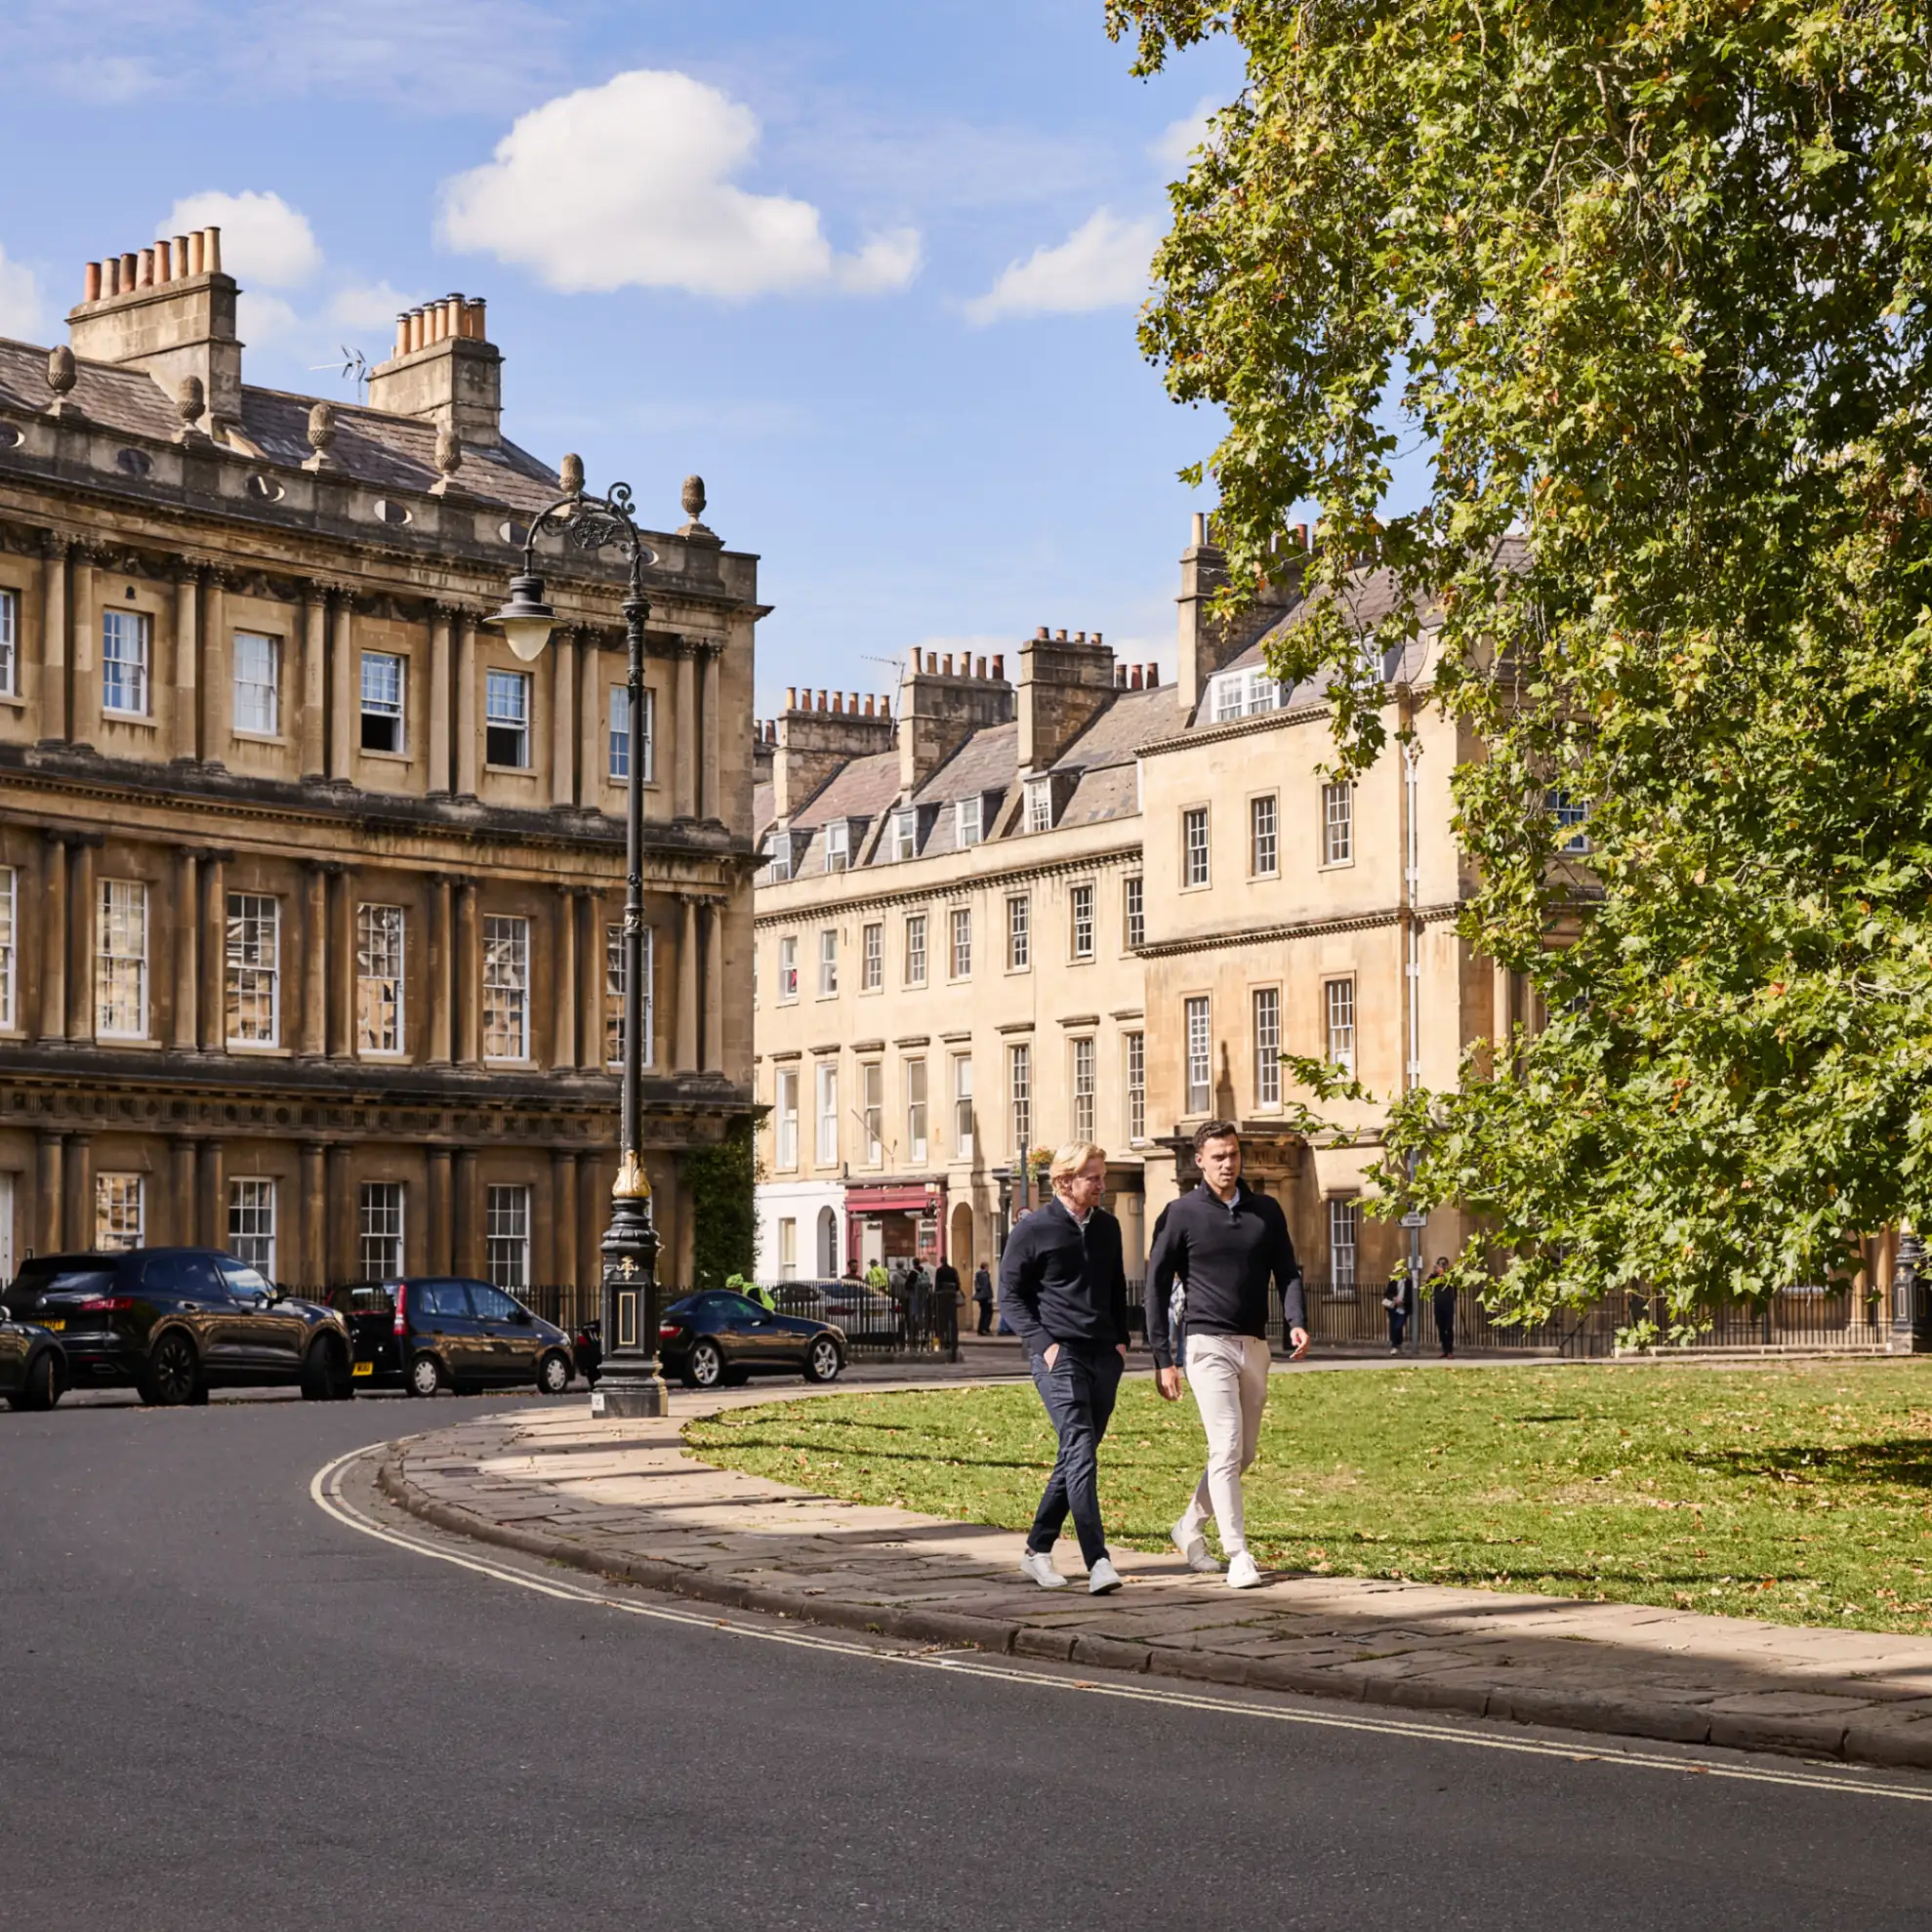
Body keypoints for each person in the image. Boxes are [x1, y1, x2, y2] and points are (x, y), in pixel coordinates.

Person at [1147, 1121, 1308, 1591]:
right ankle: (1239, 1553)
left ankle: (1189, 1526)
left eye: (1233, 1154)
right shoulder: (1180, 1214)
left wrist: (1295, 1319)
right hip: (1206, 1344)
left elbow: (1288, 1270)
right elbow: (1155, 1287)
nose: (1227, 1164)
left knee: (1243, 1453)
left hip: (1254, 1344)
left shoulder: (1265, 1211)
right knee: (1226, 1444)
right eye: (1218, 1156)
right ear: (1200, 1160)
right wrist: (1162, 1358)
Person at [1001, 1142, 1131, 1594]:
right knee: (1080, 1450)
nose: (1101, 1185)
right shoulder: (1033, 1229)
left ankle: (1037, 1550)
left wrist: (1121, 1341)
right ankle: (1098, 1561)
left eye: (1102, 1176)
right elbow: (1009, 1295)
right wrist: (1045, 1345)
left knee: (1077, 1454)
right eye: (1093, 1177)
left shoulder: (1108, 1227)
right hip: (1059, 1355)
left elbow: (1116, 1286)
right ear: (1063, 1181)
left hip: (1104, 1356)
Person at [933, 1257, 962, 1353]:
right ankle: (953, 1342)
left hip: (942, 1297)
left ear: (941, 1261)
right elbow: (957, 1285)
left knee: (942, 1321)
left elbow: (937, 1285)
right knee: (953, 1320)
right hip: (952, 1296)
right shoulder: (953, 1270)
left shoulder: (939, 1271)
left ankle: (942, 1341)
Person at [1429, 1257, 1456, 1357]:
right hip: (1438, 1304)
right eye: (1441, 1264)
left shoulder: (1450, 1275)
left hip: (1448, 1304)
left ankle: (1450, 1350)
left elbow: (1455, 1285)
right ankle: (1444, 1349)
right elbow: (1428, 1283)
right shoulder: (1434, 1276)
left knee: (1448, 1327)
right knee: (1440, 1327)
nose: (1442, 1266)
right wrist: (1433, 1274)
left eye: (1444, 1264)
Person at [1383, 1272, 1414, 1353]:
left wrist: (1403, 1301)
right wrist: (1394, 1298)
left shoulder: (1409, 1282)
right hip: (1393, 1307)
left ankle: (1396, 1344)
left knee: (1398, 1326)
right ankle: (1396, 1345)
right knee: (1393, 1326)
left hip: (1403, 1308)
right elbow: (1387, 1293)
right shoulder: (1393, 1280)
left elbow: (1411, 1296)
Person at [972, 1260, 994, 1335]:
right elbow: (987, 1286)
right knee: (988, 1312)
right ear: (985, 1267)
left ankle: (980, 1329)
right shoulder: (985, 1275)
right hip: (986, 1297)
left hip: (981, 1297)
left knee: (983, 1313)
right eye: (987, 1266)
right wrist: (990, 1296)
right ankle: (985, 1328)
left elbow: (976, 1285)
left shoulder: (978, 1274)